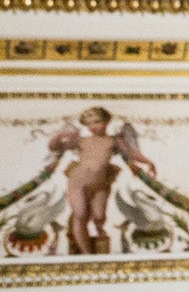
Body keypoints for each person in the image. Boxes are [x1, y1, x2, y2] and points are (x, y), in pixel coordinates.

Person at [49, 107, 156, 255]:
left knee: (99, 217)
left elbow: (132, 153)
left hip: (101, 185)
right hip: (78, 182)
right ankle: (86, 253)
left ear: (107, 121)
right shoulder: (82, 140)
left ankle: (99, 234)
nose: (93, 126)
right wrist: (60, 136)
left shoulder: (113, 140)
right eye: (89, 124)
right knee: (80, 214)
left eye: (97, 122)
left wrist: (149, 162)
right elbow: (54, 147)